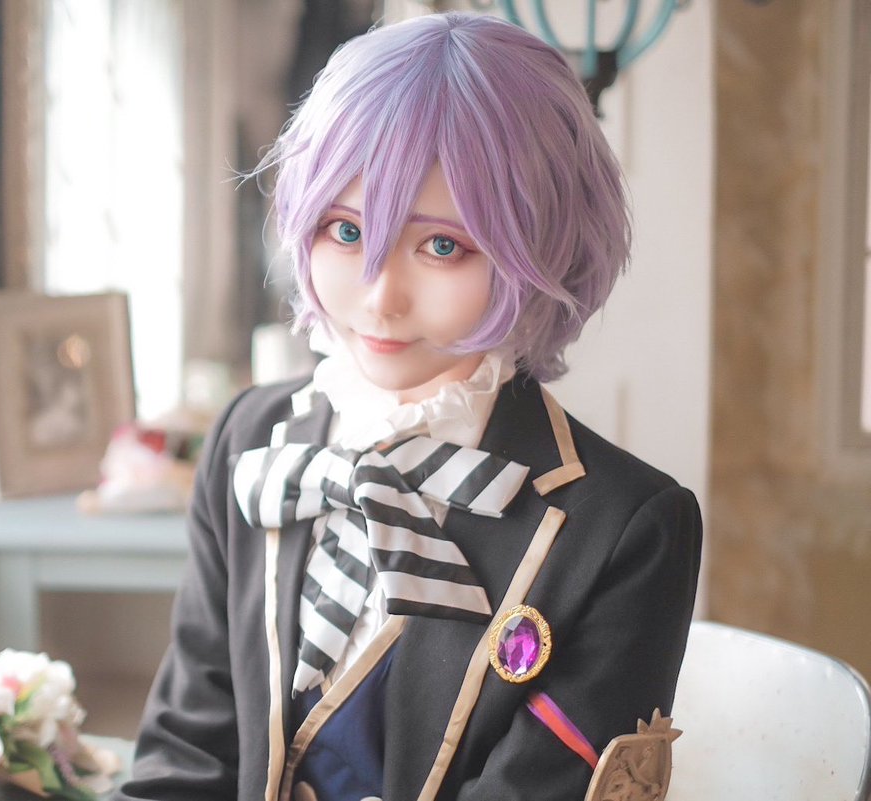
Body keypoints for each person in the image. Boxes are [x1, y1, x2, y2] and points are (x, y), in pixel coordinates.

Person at [114, 12, 702, 801]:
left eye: (441, 245)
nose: (380, 296)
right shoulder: (249, 437)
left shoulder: (626, 528)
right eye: (346, 230)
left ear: (543, 247)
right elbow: (185, 757)